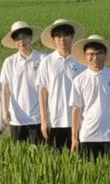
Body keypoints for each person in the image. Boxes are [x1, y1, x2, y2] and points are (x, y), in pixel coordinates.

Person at [69, 35, 110, 163]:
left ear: (105, 55)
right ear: (85, 56)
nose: (95, 58)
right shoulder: (79, 80)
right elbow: (76, 110)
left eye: (98, 53)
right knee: (90, 172)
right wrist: (74, 138)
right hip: (88, 136)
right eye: (90, 54)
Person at [37, 19, 86, 150]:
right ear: (53, 39)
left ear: (72, 37)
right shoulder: (47, 62)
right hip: (55, 120)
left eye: (66, 35)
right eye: (58, 36)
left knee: (79, 155)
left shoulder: (81, 61)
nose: (62, 39)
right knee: (56, 157)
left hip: (79, 120)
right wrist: (44, 120)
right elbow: (43, 92)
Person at [0, 21, 44, 144]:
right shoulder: (9, 62)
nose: (22, 41)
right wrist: (5, 110)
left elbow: (47, 89)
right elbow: (5, 88)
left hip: (37, 118)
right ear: (14, 42)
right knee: (18, 152)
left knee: (38, 151)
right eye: (17, 39)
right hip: (16, 118)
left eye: (25, 37)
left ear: (31, 38)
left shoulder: (42, 59)